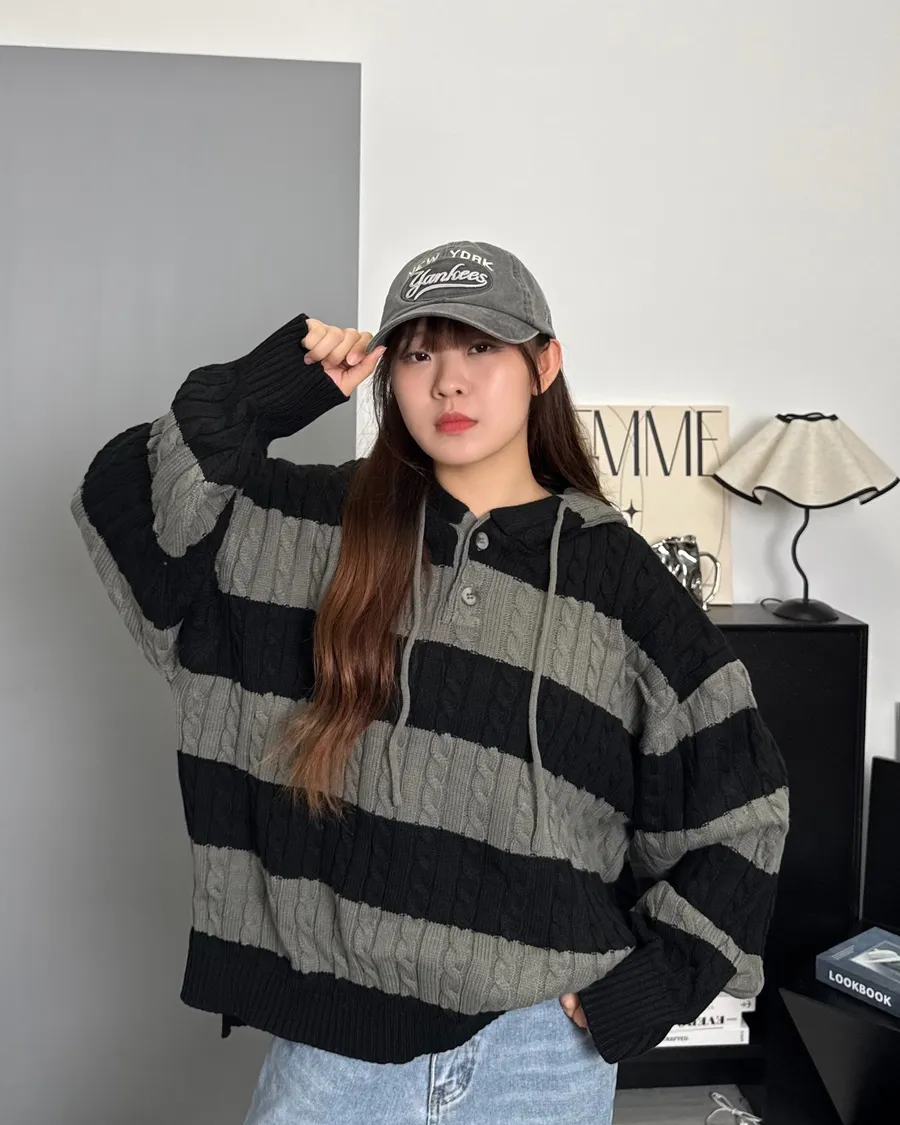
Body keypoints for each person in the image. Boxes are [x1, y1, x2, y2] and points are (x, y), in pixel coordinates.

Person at [70, 239, 789, 1125]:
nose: (450, 382)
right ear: (387, 374)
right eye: (418, 353)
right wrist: (266, 391)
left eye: (481, 347)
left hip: (541, 1056)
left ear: (544, 365)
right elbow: (126, 501)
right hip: (336, 1053)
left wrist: (653, 987)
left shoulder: (621, 582)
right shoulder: (310, 527)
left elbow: (742, 806)